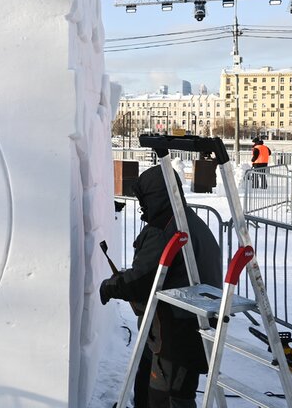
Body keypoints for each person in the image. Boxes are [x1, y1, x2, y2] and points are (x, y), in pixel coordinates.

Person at [100, 166, 222, 408]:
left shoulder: (165, 229)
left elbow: (142, 281)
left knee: (169, 394)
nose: (142, 207)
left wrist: (111, 286)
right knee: (148, 370)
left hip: (178, 326)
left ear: (155, 197)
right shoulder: (187, 221)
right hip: (189, 320)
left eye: (143, 200)